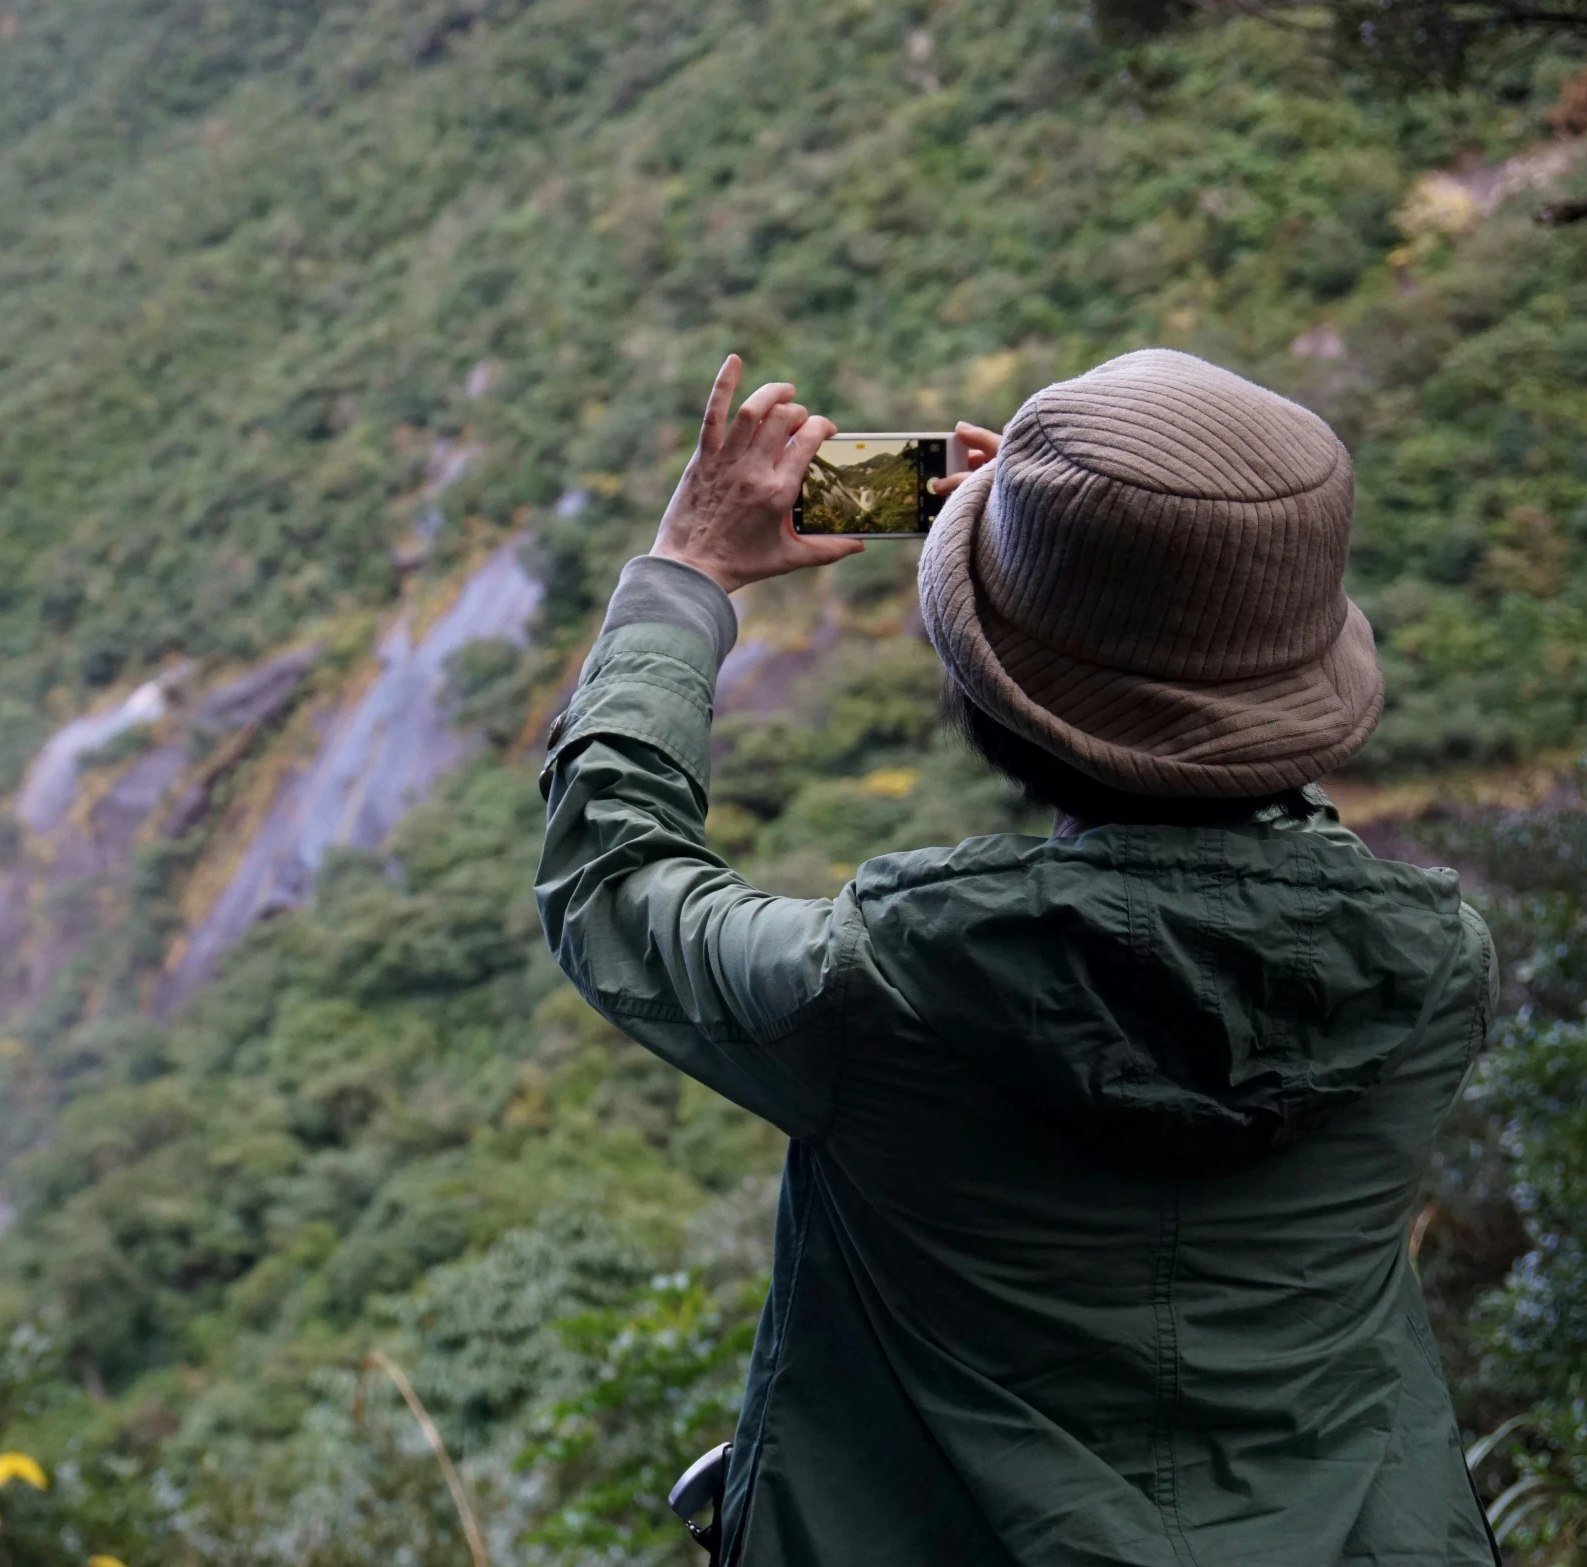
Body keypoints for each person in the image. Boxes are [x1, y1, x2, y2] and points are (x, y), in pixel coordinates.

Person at [535, 348, 1498, 1565]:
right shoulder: (1438, 977)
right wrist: (1164, 597)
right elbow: (1261, 829)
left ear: (990, 697)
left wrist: (685, 574)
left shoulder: (873, 986)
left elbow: (613, 885)